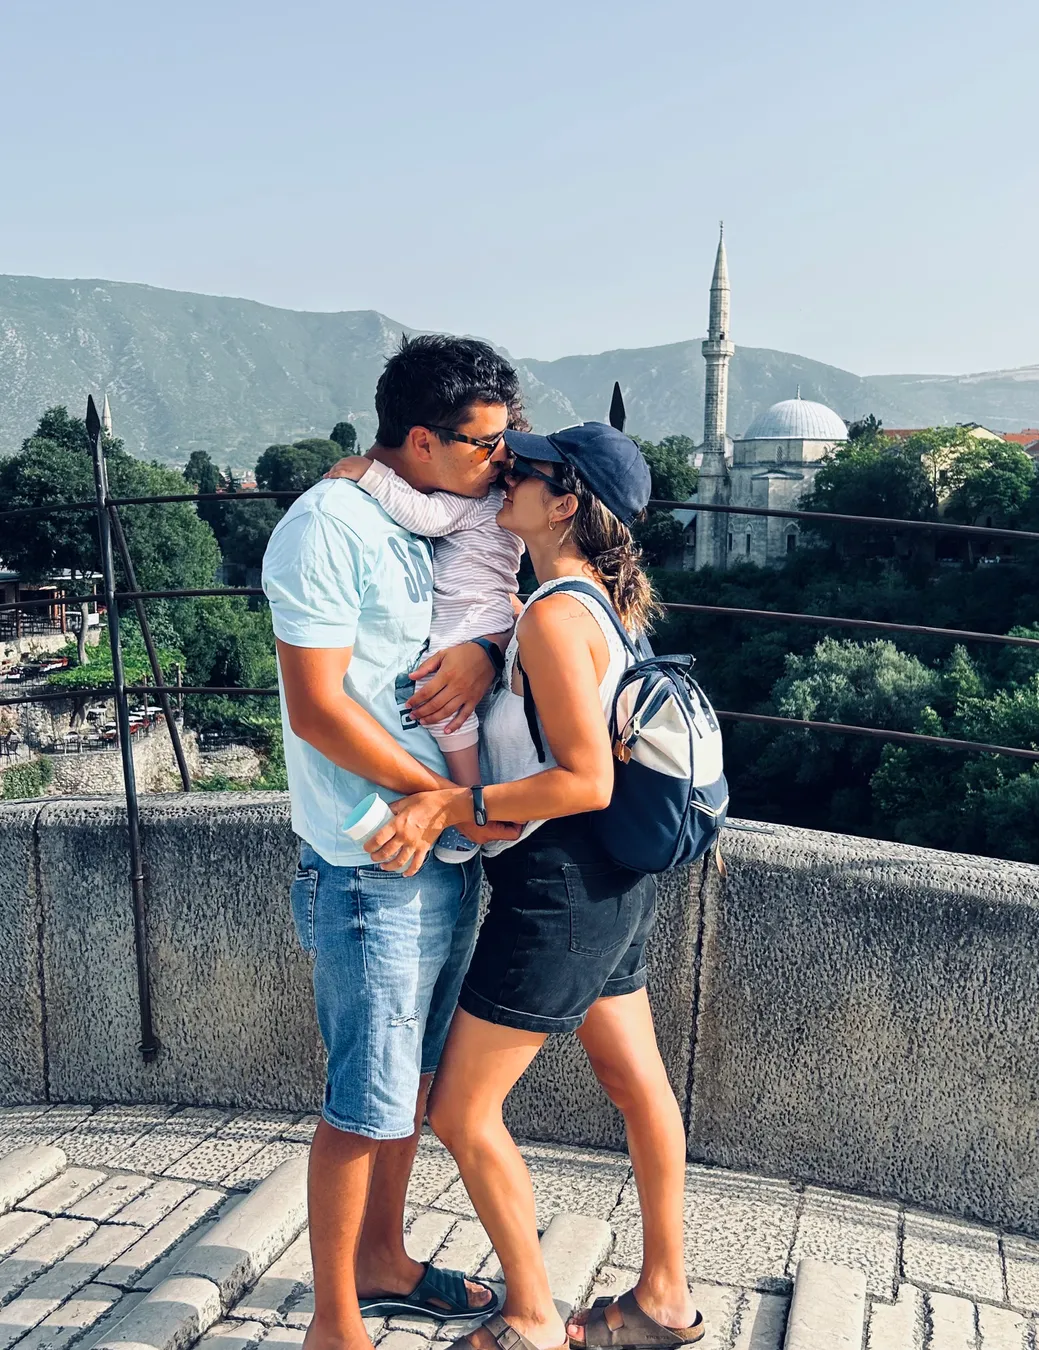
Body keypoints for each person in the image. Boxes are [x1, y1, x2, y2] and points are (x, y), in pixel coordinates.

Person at [362, 423, 706, 1350]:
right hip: (612, 880)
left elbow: (585, 780)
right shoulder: (593, 604)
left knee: (461, 1109)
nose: (506, 473)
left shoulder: (555, 617)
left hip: (560, 889)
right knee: (635, 1082)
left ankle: (529, 1317)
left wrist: (449, 804)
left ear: (565, 503)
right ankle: (664, 1297)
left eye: (528, 469)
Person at [261, 334, 524, 1350]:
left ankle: (382, 1260)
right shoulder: (326, 527)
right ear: (421, 439)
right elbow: (318, 709)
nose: (500, 460)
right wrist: (441, 796)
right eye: (484, 444)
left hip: (438, 847)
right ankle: (335, 1325)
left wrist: (486, 648)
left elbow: (485, 605)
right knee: (362, 1100)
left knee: (408, 1084)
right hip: (370, 857)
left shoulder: (423, 509)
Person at [323, 447, 524, 864]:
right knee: (467, 709)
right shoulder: (507, 514)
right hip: (489, 612)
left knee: (442, 701)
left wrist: (371, 473)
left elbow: (424, 515)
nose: (491, 472)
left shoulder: (476, 504)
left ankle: (468, 806)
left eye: (496, 463)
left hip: (468, 614)